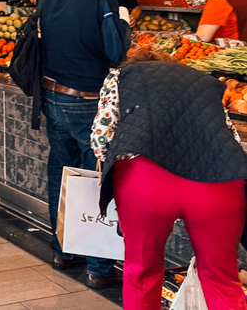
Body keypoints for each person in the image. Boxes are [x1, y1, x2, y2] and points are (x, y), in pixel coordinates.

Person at [92, 48, 247, 309]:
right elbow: (230, 136)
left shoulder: (121, 75)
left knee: (141, 273)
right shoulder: (204, 81)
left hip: (145, 181)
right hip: (218, 180)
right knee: (221, 277)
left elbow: (100, 138)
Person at [37, 0, 130, 287]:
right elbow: (116, 50)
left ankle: (63, 249)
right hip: (87, 101)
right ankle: (99, 266)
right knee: (97, 178)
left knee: (61, 174)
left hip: (52, 94)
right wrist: (123, 23)